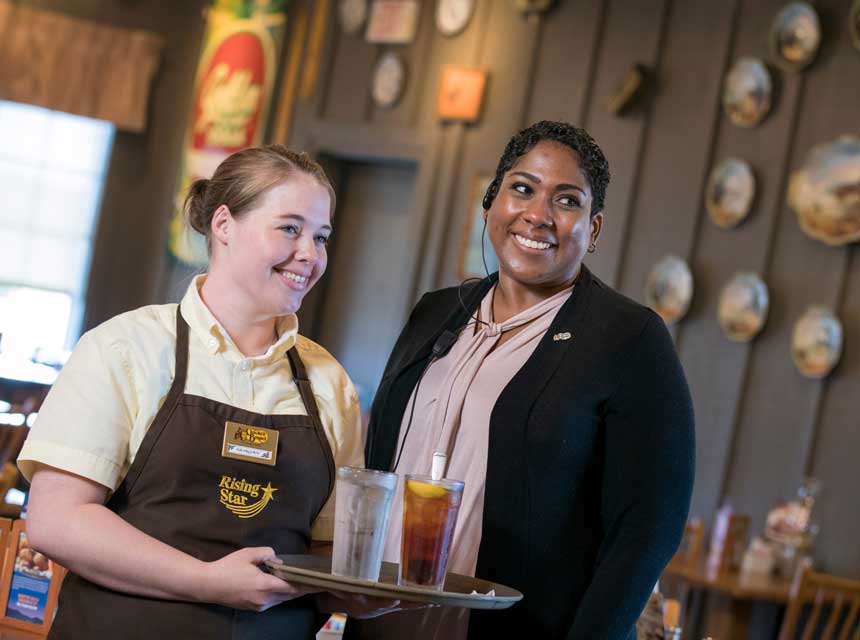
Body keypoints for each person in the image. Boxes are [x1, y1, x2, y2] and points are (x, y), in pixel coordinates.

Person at [350, 121, 696, 639]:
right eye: (522, 188)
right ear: (491, 202)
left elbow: (648, 530)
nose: (538, 214)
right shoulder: (435, 313)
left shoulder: (628, 338)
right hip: (380, 624)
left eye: (567, 200)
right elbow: (380, 460)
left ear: (594, 229)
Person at [17, 145, 371, 638]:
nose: (310, 254)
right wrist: (207, 581)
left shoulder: (330, 383)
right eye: (290, 229)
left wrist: (366, 593)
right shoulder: (125, 348)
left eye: (321, 237)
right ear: (223, 225)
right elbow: (56, 520)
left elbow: (326, 553)